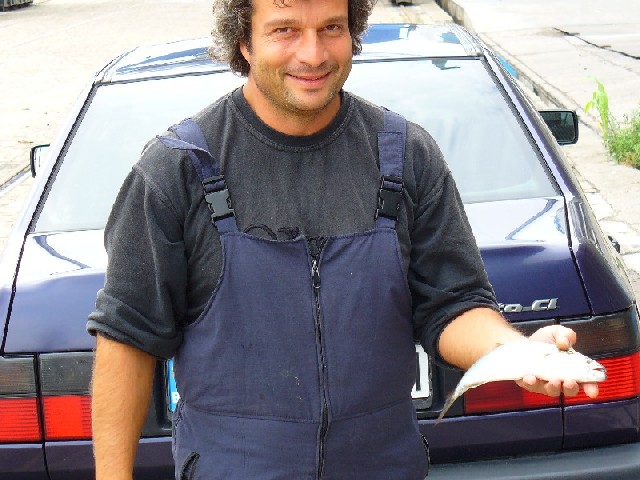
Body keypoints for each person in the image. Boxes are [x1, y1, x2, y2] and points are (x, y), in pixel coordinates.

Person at [87, 0, 599, 478]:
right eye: (285, 30)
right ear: (244, 41)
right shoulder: (176, 170)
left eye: (331, 27)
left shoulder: (406, 156)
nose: (313, 54)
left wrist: (515, 353)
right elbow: (128, 339)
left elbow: (454, 305)